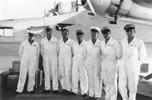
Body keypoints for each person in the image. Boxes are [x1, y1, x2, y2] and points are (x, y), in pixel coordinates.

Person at [118, 24, 147, 100]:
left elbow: (143, 55)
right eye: (127, 31)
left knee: (133, 87)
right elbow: (119, 53)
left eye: (131, 31)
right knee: (121, 85)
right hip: (123, 66)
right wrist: (119, 62)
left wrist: (136, 64)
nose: (129, 33)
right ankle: (125, 98)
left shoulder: (139, 42)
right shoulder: (122, 41)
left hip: (133, 67)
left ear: (134, 31)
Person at [100, 26, 122, 100]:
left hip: (112, 64)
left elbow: (119, 55)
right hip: (104, 64)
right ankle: (107, 97)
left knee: (112, 83)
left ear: (110, 33)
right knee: (106, 82)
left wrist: (113, 60)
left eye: (106, 33)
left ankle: (112, 98)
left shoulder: (115, 42)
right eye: (103, 34)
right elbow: (102, 54)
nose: (105, 35)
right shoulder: (102, 43)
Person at [85, 26, 102, 99]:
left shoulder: (101, 43)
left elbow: (103, 54)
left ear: (97, 34)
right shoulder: (87, 43)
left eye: (95, 33)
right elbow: (85, 53)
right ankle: (91, 94)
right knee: (90, 79)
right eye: (92, 33)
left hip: (97, 63)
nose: (93, 34)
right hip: (89, 63)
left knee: (97, 79)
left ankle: (97, 95)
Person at [41, 26, 59, 93]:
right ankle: (47, 88)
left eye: (50, 30)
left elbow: (57, 50)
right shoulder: (43, 41)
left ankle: (55, 88)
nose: (48, 32)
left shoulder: (56, 40)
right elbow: (42, 51)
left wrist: (53, 55)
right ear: (46, 31)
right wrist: (45, 57)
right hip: (46, 57)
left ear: (52, 31)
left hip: (53, 56)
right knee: (47, 72)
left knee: (54, 72)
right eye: (47, 30)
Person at [72, 30, 88, 97]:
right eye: (78, 35)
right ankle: (74, 90)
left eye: (81, 35)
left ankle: (84, 92)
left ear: (83, 36)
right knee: (74, 76)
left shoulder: (86, 44)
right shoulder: (74, 44)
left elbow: (87, 54)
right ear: (76, 36)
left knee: (83, 76)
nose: (79, 37)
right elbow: (73, 53)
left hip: (83, 61)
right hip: (75, 61)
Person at [58, 28, 74, 94]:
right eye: (63, 33)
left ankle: (68, 88)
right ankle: (63, 88)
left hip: (68, 60)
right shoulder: (59, 42)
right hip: (61, 59)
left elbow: (74, 52)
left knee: (68, 74)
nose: (65, 34)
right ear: (61, 34)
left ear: (68, 33)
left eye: (66, 33)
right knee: (62, 74)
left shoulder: (72, 42)